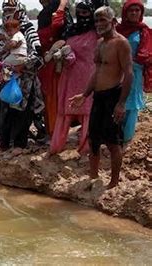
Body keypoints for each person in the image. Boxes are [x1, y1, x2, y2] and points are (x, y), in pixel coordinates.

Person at [69, 6, 133, 189]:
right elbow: (96, 72)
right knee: (93, 139)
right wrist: (85, 94)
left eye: (103, 20)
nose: (98, 24)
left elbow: (129, 74)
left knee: (114, 143)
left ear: (113, 22)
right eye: (96, 21)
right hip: (98, 97)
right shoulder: (99, 43)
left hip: (114, 96)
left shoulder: (121, 43)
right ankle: (93, 176)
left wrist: (121, 103)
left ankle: (113, 183)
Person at [0, 0, 45, 151]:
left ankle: (20, 143)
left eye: (11, 10)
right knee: (5, 106)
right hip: (7, 72)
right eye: (6, 10)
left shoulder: (27, 29)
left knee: (22, 108)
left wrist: (23, 65)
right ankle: (5, 141)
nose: (8, 13)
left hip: (25, 74)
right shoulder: (3, 28)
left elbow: (37, 53)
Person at [50, 0, 99, 155]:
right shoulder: (71, 30)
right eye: (80, 12)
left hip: (88, 76)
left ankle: (85, 149)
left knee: (87, 112)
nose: (82, 15)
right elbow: (64, 45)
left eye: (86, 12)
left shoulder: (97, 31)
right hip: (69, 76)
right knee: (66, 111)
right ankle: (56, 146)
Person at [37, 0, 73, 136]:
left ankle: (54, 132)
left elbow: (58, 26)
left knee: (53, 98)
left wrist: (62, 6)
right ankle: (54, 131)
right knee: (52, 97)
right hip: (51, 62)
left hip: (53, 62)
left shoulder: (54, 14)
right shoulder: (52, 14)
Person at [116, 0, 150, 143]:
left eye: (137, 10)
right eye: (131, 10)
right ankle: (116, 137)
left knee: (131, 106)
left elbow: (148, 54)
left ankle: (126, 138)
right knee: (117, 102)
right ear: (125, 13)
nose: (134, 13)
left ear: (141, 13)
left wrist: (132, 62)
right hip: (117, 72)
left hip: (135, 74)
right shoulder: (117, 29)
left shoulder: (144, 31)